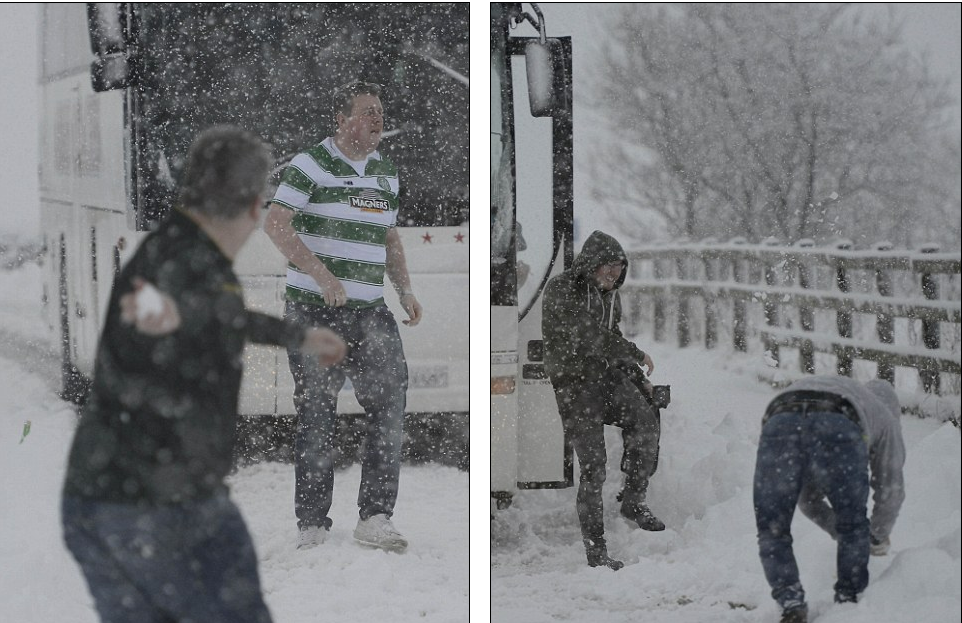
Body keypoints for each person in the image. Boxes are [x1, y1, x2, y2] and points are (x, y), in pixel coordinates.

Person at [61, 125, 347, 623]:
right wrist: (164, 325)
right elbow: (175, 316)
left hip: (112, 498)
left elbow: (214, 315)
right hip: (153, 502)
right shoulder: (184, 263)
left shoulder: (180, 250)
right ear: (257, 205)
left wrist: (296, 336)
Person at [264, 80, 422, 553]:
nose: (376, 120)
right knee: (316, 415)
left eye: (380, 112)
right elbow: (276, 223)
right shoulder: (310, 164)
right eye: (367, 111)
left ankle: (375, 517)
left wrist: (405, 289)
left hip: (371, 312)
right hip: (315, 312)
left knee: (390, 409)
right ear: (341, 119)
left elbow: (389, 239)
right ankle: (312, 523)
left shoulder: (384, 173)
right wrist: (322, 276)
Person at [541, 230, 664, 571]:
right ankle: (597, 552)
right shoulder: (562, 289)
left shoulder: (612, 297)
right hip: (574, 385)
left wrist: (641, 381)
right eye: (608, 267)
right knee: (593, 469)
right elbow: (589, 336)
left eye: (619, 268)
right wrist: (636, 353)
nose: (614, 274)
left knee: (646, 423)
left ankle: (634, 500)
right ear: (590, 264)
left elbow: (613, 339)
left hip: (605, 378)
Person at [753, 376, 906, 623]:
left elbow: (808, 499)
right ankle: (848, 603)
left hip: (780, 417)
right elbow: (891, 488)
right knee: (853, 523)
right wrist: (875, 536)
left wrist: (836, 528)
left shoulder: (846, 389)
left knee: (772, 527)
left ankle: (790, 602)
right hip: (839, 423)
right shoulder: (886, 420)